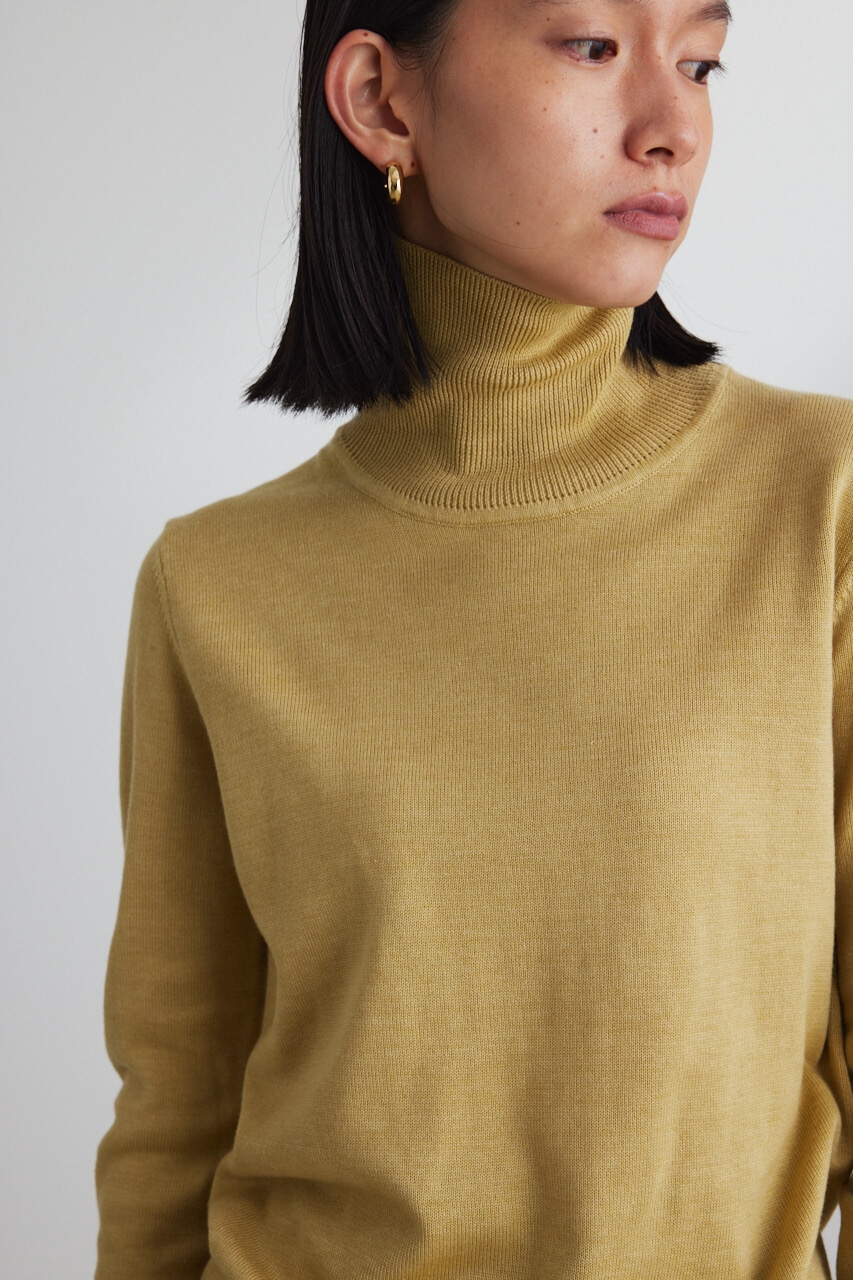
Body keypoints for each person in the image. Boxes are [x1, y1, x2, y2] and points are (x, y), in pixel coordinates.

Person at [93, 0, 853, 1277]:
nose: (672, 126)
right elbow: (177, 1105)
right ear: (381, 101)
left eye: (700, 61)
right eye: (592, 46)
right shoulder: (214, 582)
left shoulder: (819, 501)